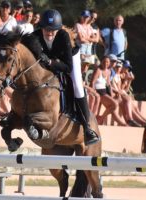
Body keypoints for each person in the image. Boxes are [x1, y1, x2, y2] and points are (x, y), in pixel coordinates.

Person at [33, 9, 99, 145]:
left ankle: (87, 128)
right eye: (46, 29)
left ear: (58, 29)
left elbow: (67, 67)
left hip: (69, 60)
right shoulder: (36, 35)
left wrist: (51, 62)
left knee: (78, 87)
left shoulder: (63, 36)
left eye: (53, 29)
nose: (49, 32)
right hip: (51, 62)